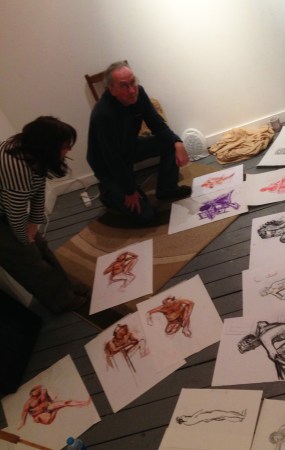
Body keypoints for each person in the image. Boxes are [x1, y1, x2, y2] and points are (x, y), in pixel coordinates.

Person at [0, 116, 90, 313]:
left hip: (7, 208)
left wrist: (34, 223)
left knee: (40, 245)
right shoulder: (16, 166)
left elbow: (38, 188)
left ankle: (66, 286)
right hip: (6, 212)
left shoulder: (31, 151)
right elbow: (15, 211)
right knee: (27, 257)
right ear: (48, 146)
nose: (69, 150)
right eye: (65, 146)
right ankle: (61, 300)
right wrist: (25, 238)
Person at [87, 61, 191, 225]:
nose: (131, 90)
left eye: (133, 82)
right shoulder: (103, 114)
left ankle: (167, 190)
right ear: (111, 90)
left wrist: (177, 142)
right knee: (146, 215)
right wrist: (129, 190)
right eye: (124, 86)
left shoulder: (139, 93)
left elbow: (157, 124)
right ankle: (108, 194)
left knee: (169, 142)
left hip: (130, 147)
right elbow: (112, 158)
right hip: (107, 164)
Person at [17, 385, 91, 429]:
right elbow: (24, 411)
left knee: (64, 403)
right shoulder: (29, 402)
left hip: (48, 409)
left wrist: (53, 401)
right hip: (40, 416)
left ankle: (85, 403)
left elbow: (50, 400)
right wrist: (22, 422)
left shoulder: (43, 393)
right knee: (45, 417)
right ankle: (55, 410)